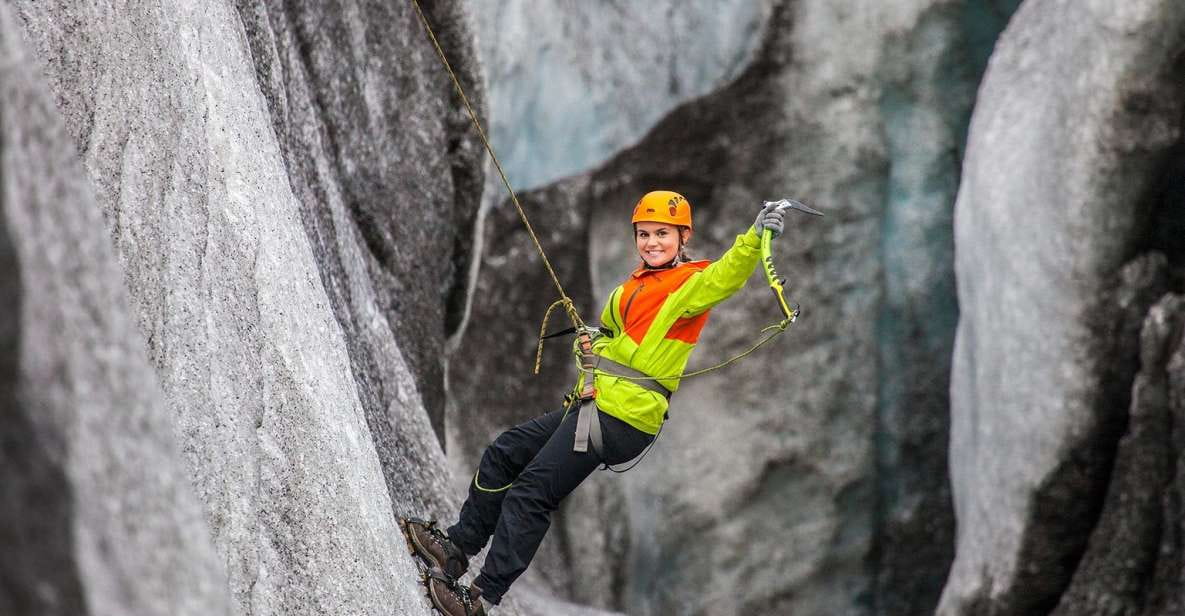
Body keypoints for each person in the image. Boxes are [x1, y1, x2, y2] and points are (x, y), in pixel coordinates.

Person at [406, 191, 790, 616]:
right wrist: (590, 344)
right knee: (505, 452)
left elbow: (726, 275)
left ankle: (479, 599)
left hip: (622, 417)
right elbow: (610, 340)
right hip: (596, 406)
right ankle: (457, 550)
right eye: (644, 234)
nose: (652, 242)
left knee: (532, 491)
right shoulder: (631, 288)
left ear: (683, 238)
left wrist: (755, 237)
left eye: (663, 233)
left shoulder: (689, 286)